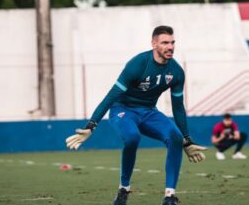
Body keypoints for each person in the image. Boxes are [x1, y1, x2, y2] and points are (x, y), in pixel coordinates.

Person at [65, 26, 206, 205]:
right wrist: (91, 125)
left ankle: (169, 196)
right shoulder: (138, 64)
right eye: (165, 43)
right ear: (154, 44)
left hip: (148, 112)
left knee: (175, 138)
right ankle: (124, 189)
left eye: (172, 43)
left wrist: (186, 139)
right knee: (132, 137)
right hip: (122, 110)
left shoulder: (176, 72)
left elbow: (178, 107)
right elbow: (111, 96)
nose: (170, 47)